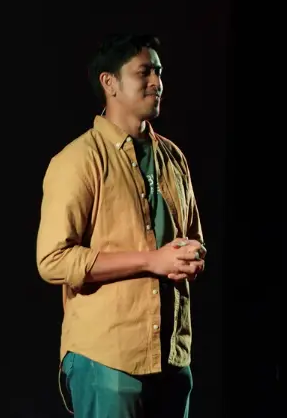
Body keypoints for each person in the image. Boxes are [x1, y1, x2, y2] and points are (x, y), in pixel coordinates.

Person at [37, 34, 207, 418]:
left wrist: (192, 256)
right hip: (108, 358)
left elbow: (193, 236)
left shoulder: (173, 158)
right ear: (109, 83)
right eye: (144, 72)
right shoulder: (79, 160)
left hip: (171, 357)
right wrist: (152, 261)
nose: (156, 82)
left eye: (159, 72)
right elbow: (53, 261)